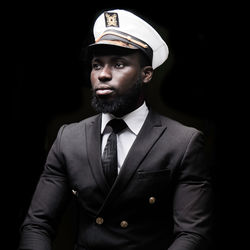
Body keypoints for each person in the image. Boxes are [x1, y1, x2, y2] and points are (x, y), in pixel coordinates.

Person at [19, 9, 213, 250]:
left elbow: (192, 234)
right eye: (96, 65)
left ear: (146, 74)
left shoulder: (182, 142)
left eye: (118, 64)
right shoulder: (68, 138)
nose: (103, 74)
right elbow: (38, 225)